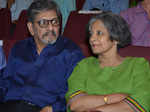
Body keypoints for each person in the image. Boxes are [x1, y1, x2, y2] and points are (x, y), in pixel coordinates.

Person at [0, 0, 84, 112]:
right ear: (31, 28)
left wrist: (54, 108)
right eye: (44, 23)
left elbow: (76, 94)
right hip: (9, 105)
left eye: (55, 22)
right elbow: (5, 82)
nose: (50, 28)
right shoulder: (19, 48)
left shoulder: (71, 53)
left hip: (42, 108)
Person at [66, 11, 150, 112]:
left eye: (99, 33)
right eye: (91, 34)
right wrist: (115, 98)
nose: (92, 39)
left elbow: (141, 104)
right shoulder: (84, 65)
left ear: (116, 38)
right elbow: (75, 104)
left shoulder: (138, 65)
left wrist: (97, 109)